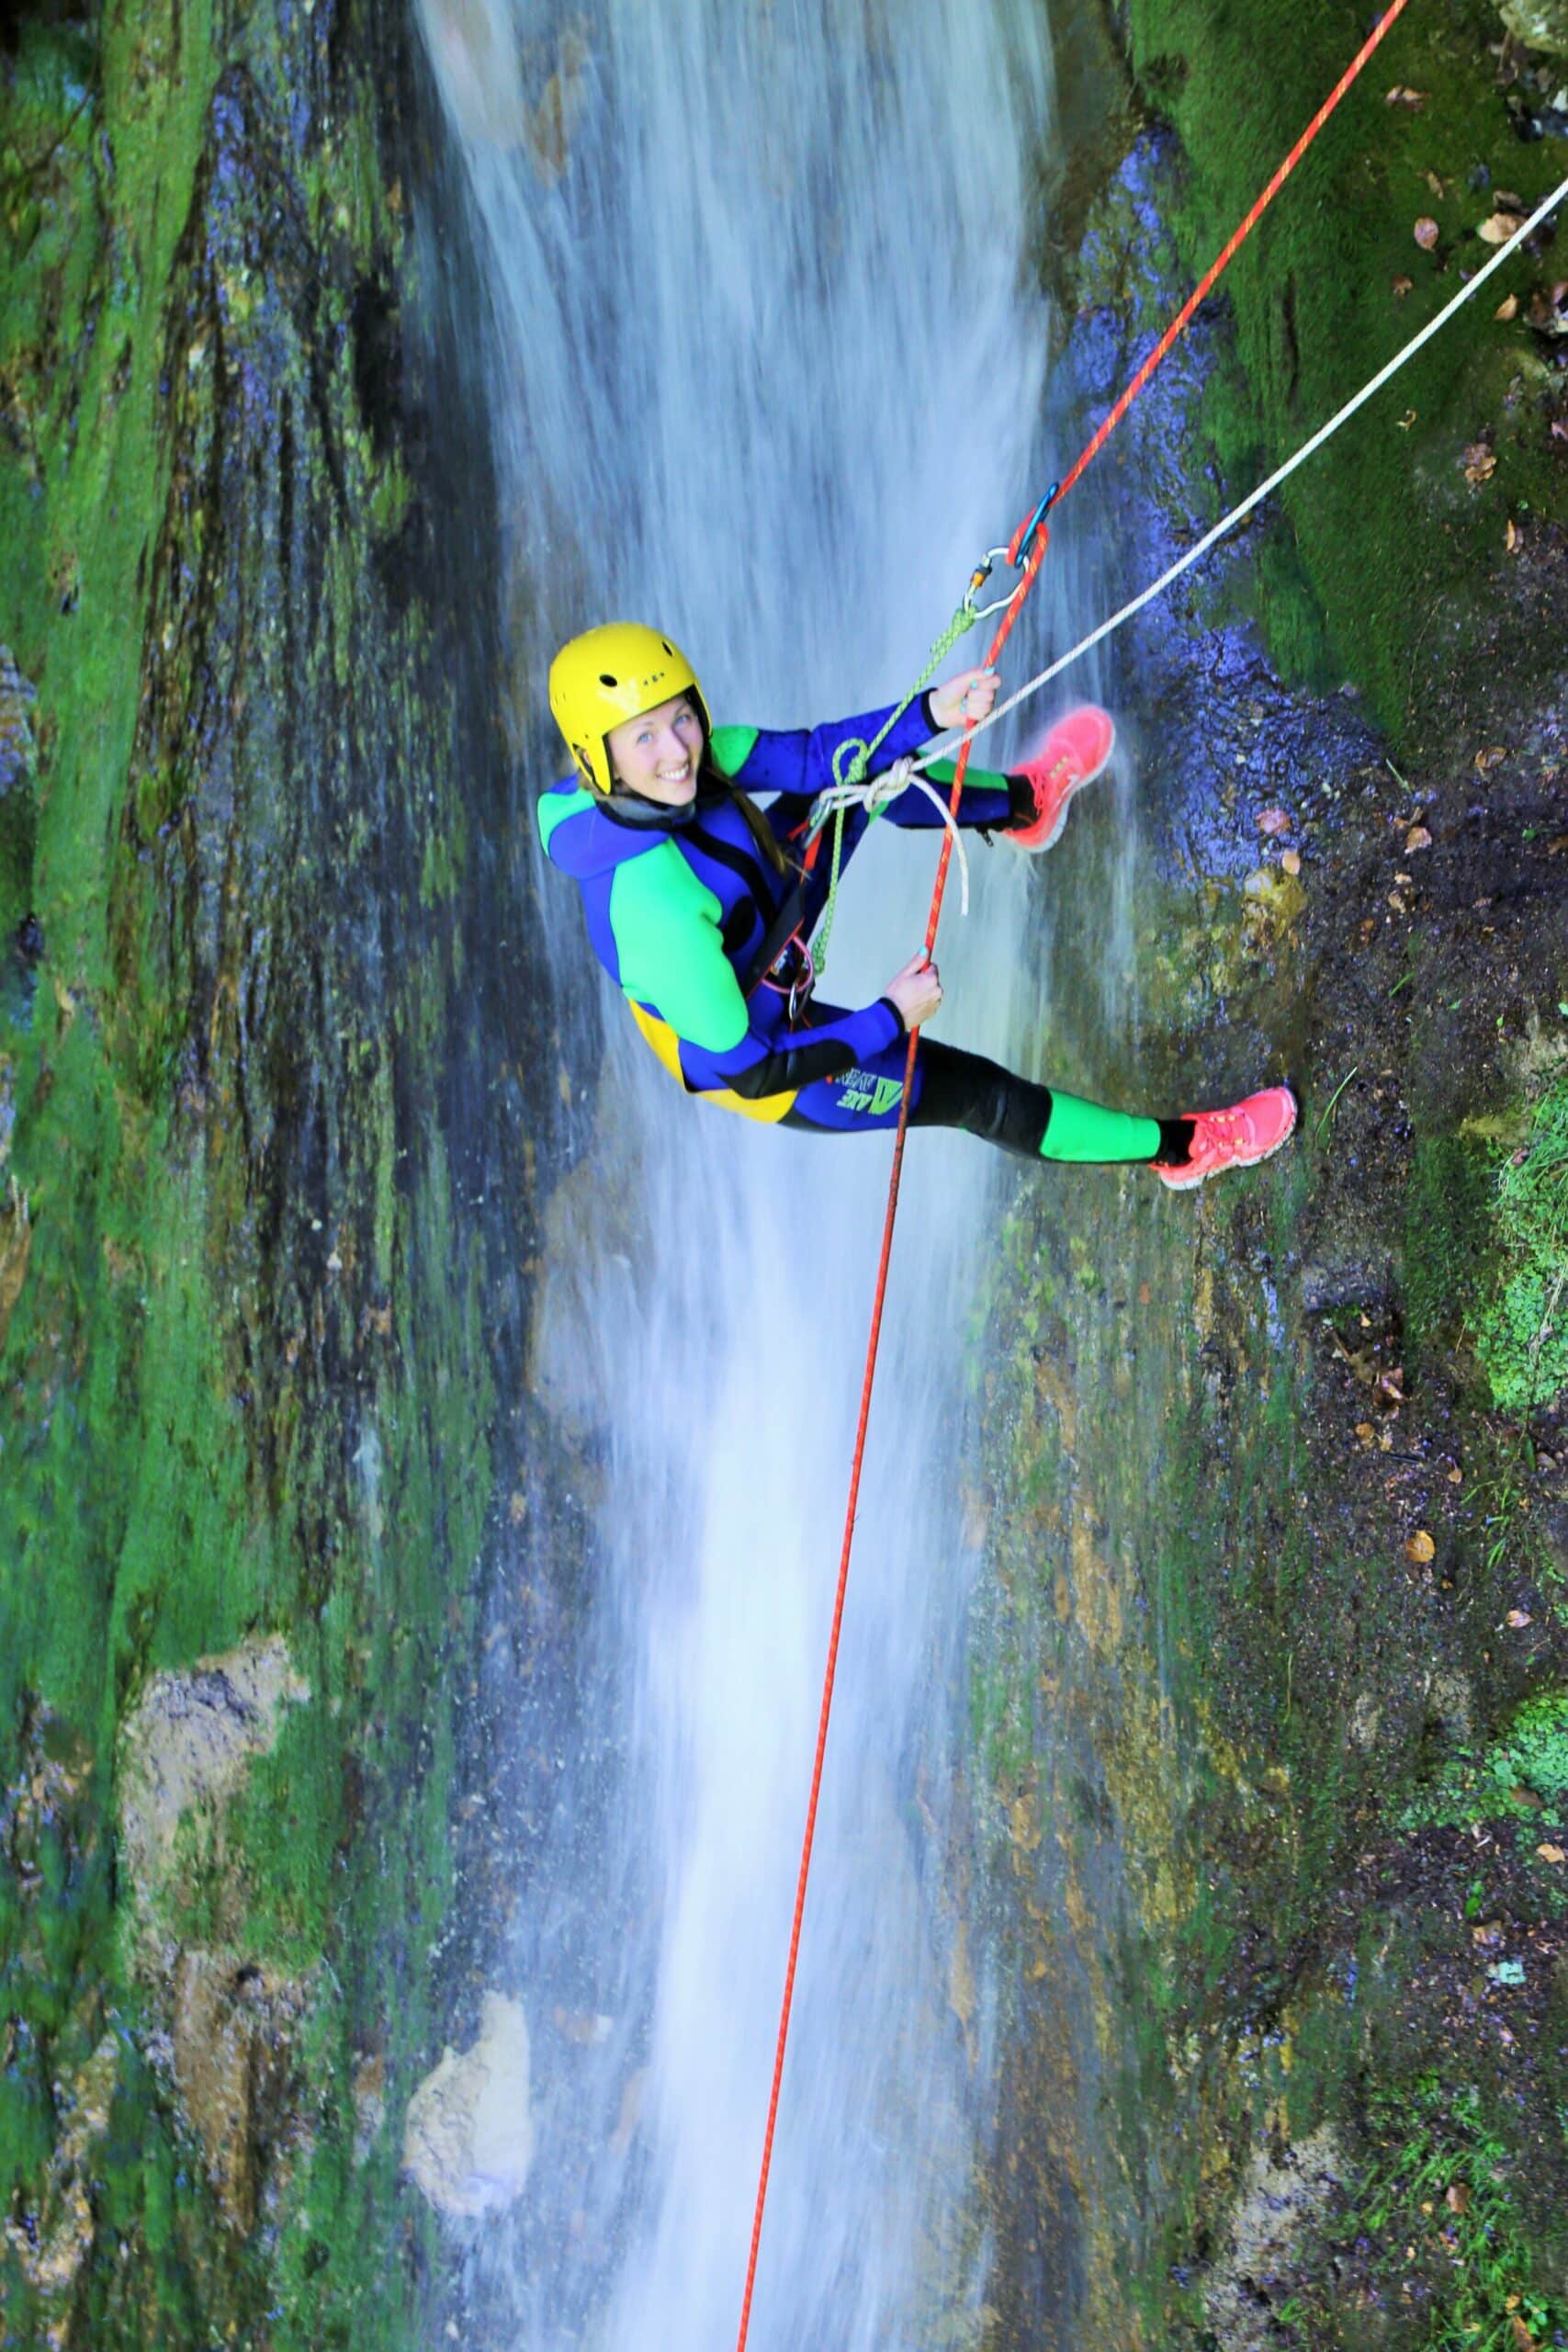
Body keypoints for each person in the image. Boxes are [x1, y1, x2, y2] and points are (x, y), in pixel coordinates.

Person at [540, 623, 1296, 1187]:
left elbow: (817, 757)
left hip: (763, 921)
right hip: (770, 1045)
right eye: (643, 737)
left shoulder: (696, 759)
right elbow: (752, 1072)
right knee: (980, 1098)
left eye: (680, 717)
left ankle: (1024, 804)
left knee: (873, 771)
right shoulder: (655, 919)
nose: (676, 750)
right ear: (596, 760)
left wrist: (931, 711)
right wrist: (887, 1018)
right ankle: (1181, 1147)